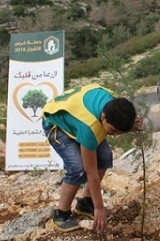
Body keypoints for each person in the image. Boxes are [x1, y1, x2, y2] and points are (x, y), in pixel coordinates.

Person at [42, 84, 141, 232]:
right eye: (113, 130)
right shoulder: (89, 127)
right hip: (56, 124)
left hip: (79, 119)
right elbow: (91, 172)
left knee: (105, 156)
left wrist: (131, 127)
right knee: (77, 168)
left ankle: (85, 203)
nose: (115, 135)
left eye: (120, 132)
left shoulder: (114, 105)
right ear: (103, 117)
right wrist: (99, 208)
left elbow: (115, 125)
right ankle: (61, 214)